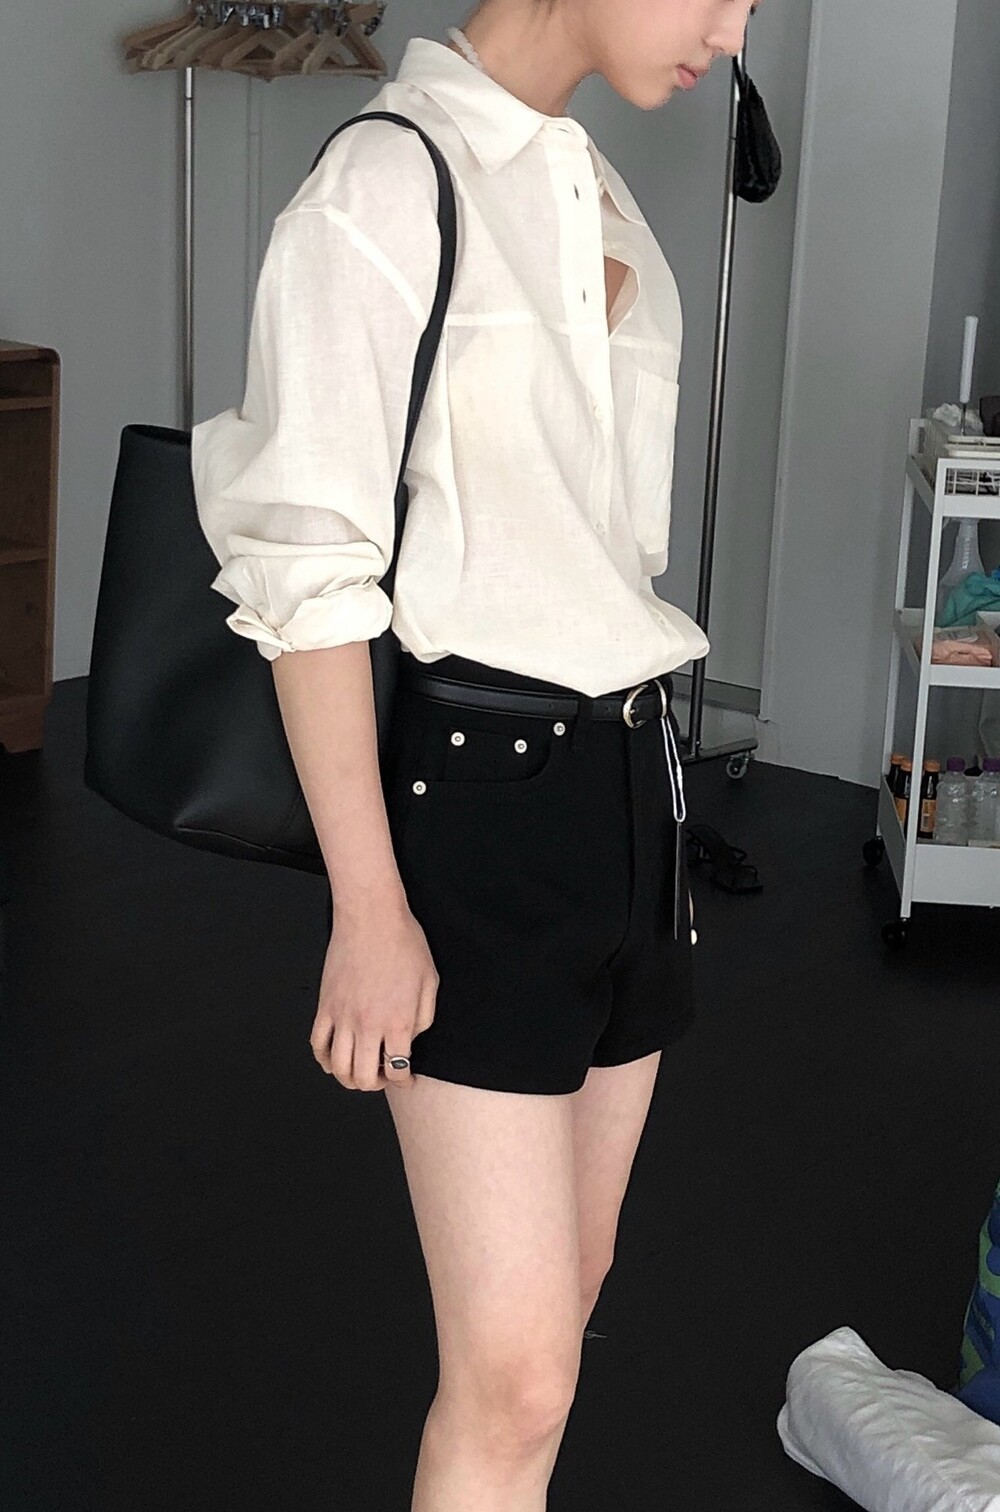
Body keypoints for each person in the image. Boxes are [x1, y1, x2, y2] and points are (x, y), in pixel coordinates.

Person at [191, 1, 760, 1506]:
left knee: (565, 1309)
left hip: (636, 787)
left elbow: (606, 544)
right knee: (515, 1378)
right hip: (481, 794)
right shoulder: (383, 183)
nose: (731, 28)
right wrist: (368, 907)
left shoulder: (593, 182)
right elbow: (311, 573)